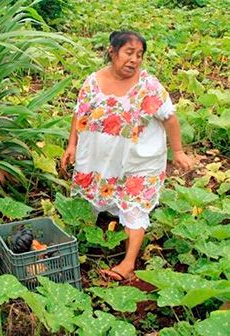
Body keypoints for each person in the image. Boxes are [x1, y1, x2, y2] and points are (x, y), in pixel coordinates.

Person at [61, 30, 193, 281]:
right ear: (112, 52)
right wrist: (71, 145)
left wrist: (177, 151)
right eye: (129, 53)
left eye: (139, 55)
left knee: (133, 206)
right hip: (98, 159)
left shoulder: (148, 86)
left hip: (137, 160)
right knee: (88, 200)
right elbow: (79, 114)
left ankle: (128, 263)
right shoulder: (92, 82)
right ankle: (82, 243)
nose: (134, 59)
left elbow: (170, 118)